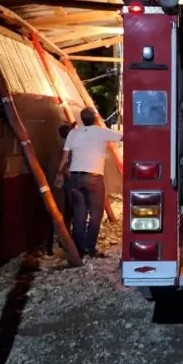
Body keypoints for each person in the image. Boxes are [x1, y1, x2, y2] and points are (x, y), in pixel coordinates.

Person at [59, 107, 122, 257]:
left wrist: (59, 173)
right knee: (95, 214)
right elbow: (125, 137)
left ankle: (80, 249)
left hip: (75, 177)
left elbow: (64, 156)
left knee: (80, 213)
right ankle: (90, 247)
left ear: (82, 119)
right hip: (94, 177)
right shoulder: (101, 131)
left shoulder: (74, 133)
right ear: (95, 118)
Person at [46, 123, 74, 257]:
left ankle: (56, 243)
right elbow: (65, 169)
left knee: (63, 214)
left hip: (58, 187)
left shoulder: (62, 147)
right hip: (62, 188)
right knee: (64, 214)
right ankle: (61, 243)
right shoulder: (66, 149)